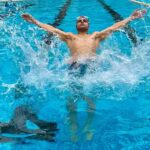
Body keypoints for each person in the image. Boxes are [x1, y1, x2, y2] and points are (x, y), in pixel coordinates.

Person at [21, 9, 146, 141]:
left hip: (91, 68)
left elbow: (114, 27)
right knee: (71, 99)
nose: (82, 22)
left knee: (90, 98)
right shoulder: (70, 36)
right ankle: (73, 124)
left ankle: (88, 124)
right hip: (74, 68)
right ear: (76, 25)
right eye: (79, 21)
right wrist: (34, 21)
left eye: (84, 21)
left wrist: (130, 18)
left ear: (88, 25)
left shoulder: (96, 36)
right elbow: (52, 30)